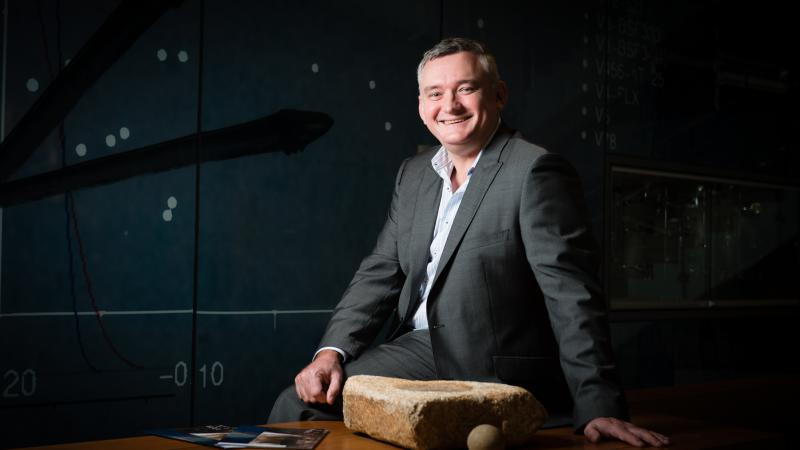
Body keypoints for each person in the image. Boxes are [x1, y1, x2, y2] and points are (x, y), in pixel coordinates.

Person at [269, 37, 669, 448]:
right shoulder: (415, 174)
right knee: (300, 402)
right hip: (417, 350)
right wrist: (330, 354)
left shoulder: (534, 170)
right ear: (422, 106)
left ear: (499, 95)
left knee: (300, 409)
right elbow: (380, 271)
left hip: (492, 367)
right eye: (435, 94)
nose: (450, 106)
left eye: (466, 89)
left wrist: (600, 404)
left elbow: (571, 293)